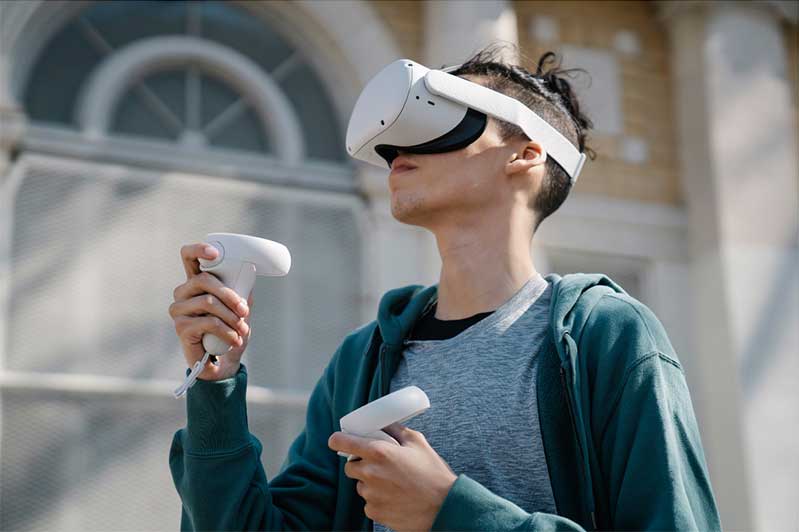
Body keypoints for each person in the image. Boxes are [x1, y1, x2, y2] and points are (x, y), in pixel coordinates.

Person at [168, 44, 722, 531]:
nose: (395, 148)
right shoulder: (362, 359)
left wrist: (450, 512)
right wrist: (216, 386)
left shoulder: (607, 336)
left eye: (443, 116)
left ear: (526, 152)